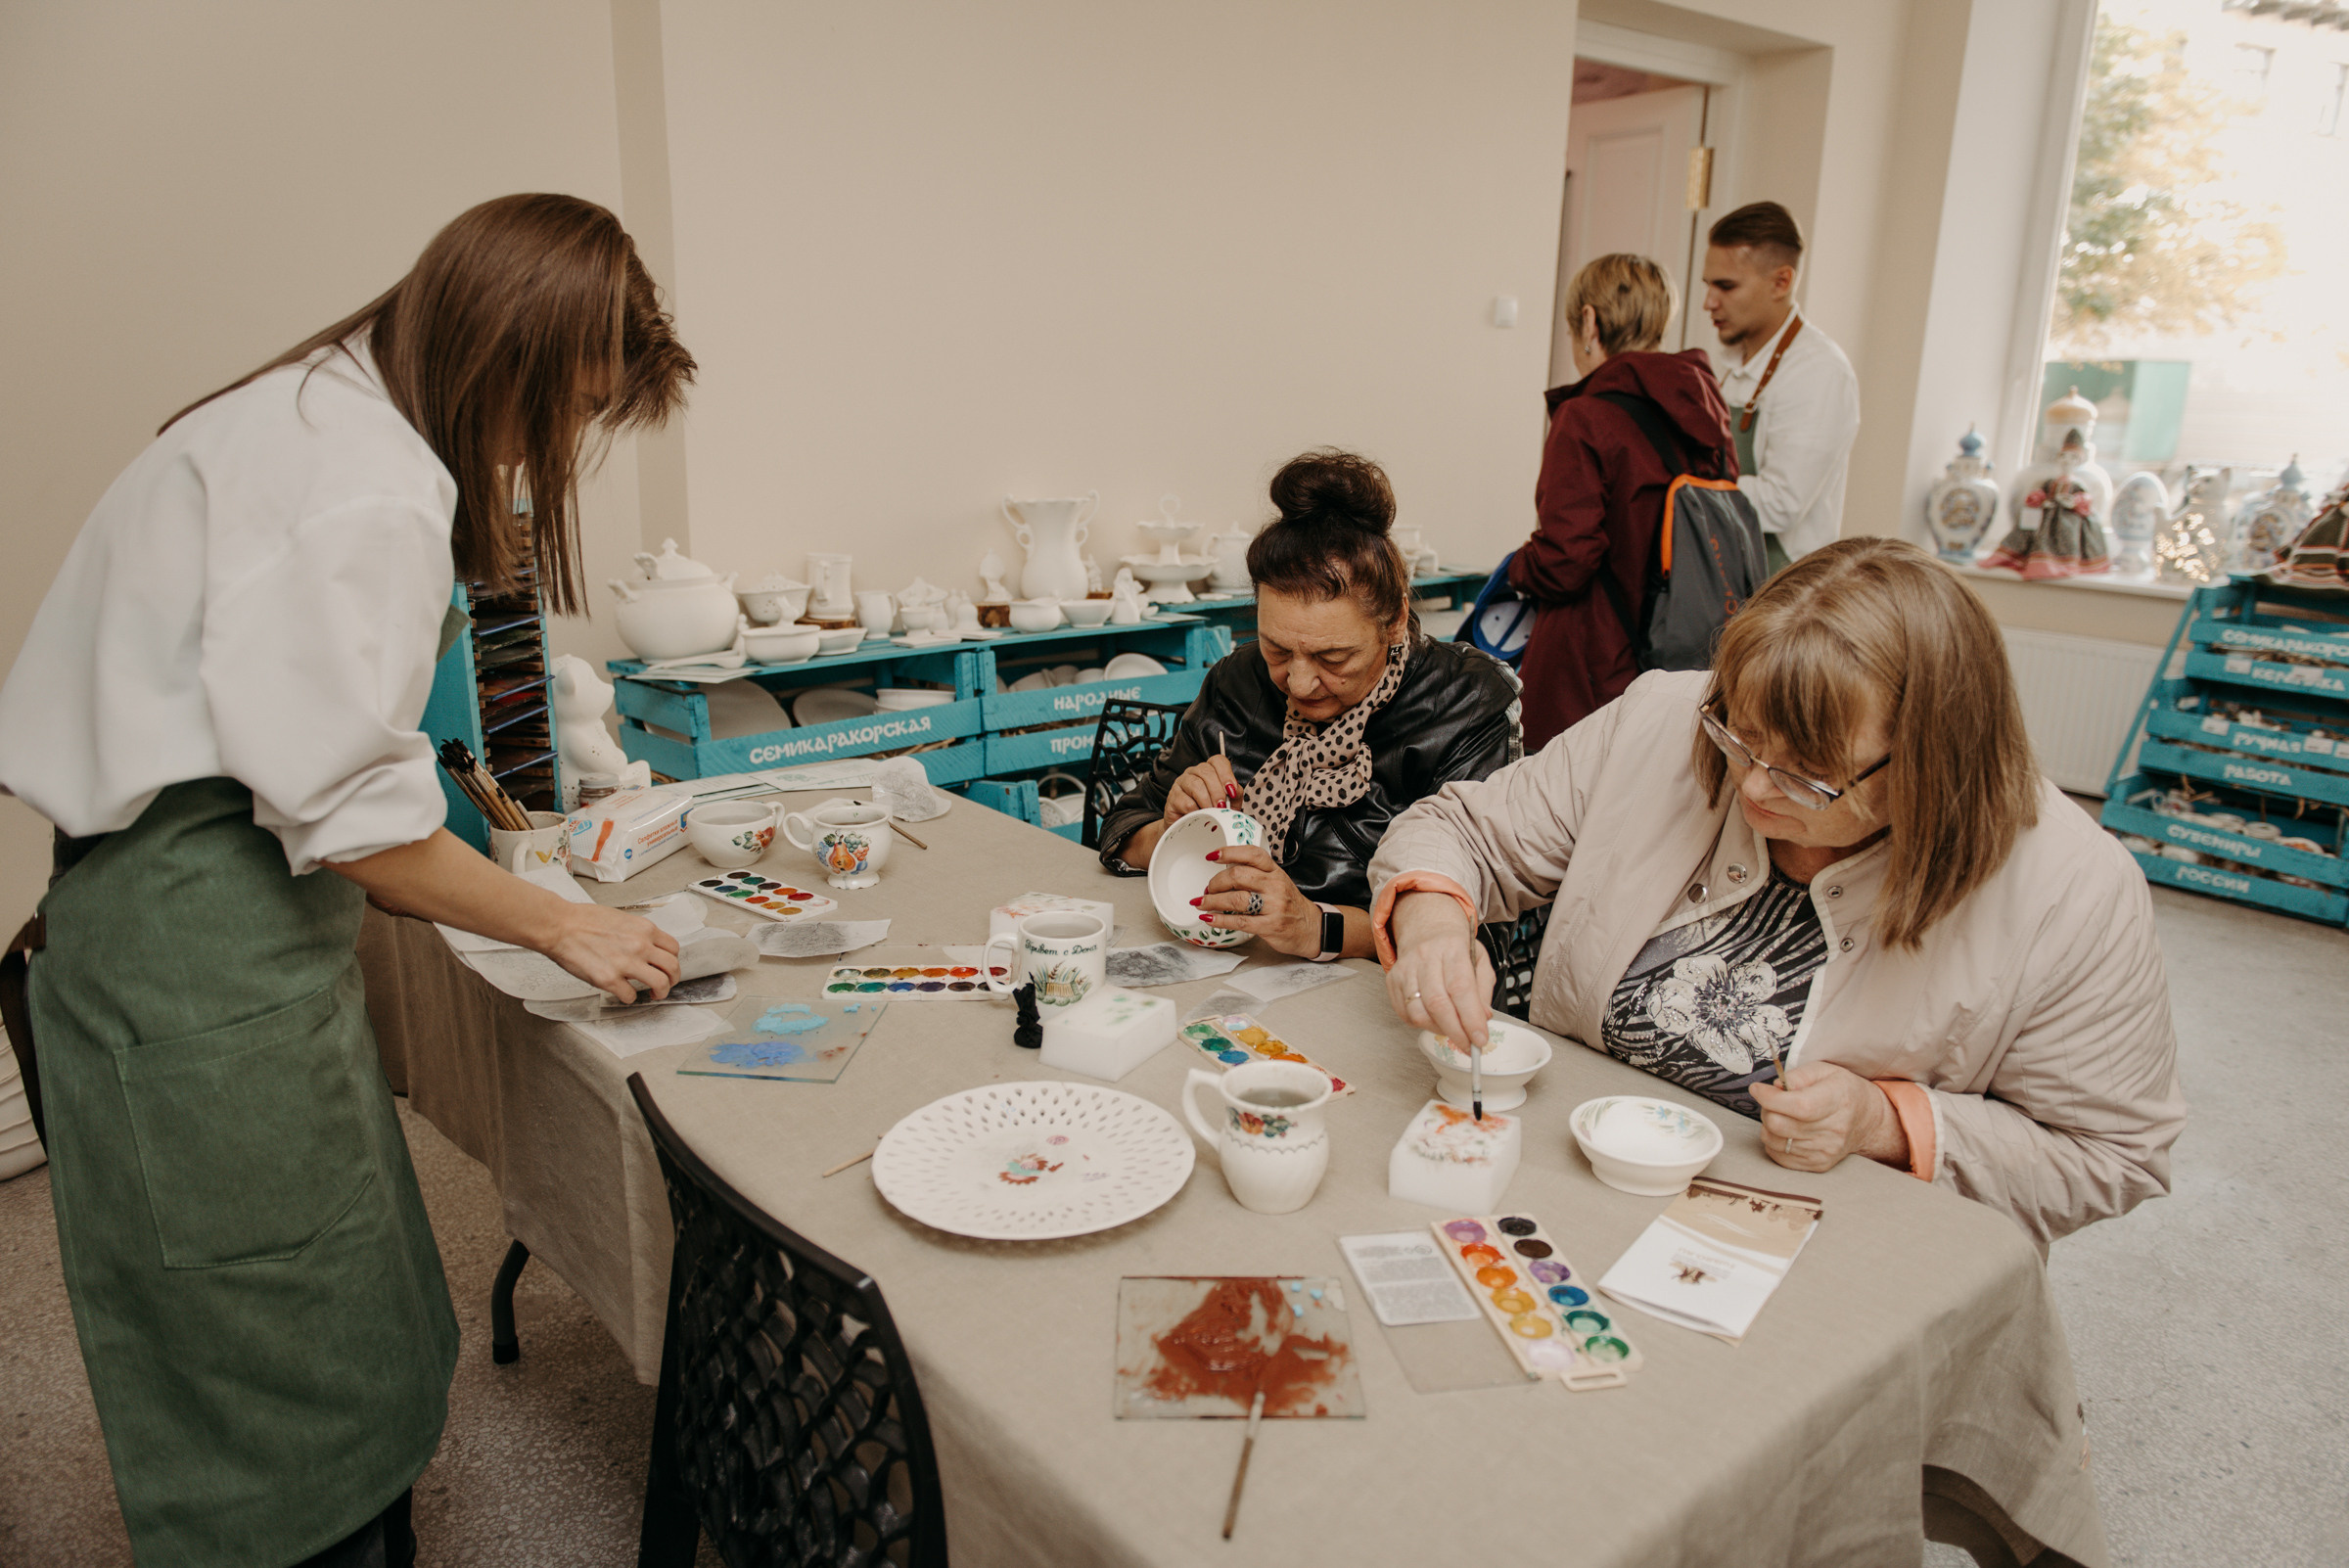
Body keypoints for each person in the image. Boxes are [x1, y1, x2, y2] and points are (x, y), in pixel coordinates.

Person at [0, 194, 694, 1567]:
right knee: (264, 1330)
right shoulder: (366, 475)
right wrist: (569, 925)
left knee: (341, 1274)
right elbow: (364, 834)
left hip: (220, 934)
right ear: (508, 357)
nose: (548, 453)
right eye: (567, 412)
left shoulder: (311, 405)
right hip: (192, 949)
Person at [1368, 538, 2187, 1249]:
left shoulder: (2071, 887)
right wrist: (1437, 920)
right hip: (1573, 1183)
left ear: (1932, 763)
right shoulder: (1664, 717)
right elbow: (1464, 831)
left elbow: (2110, 1155)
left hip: (1825, 1245)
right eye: (1740, 735)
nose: (1754, 788)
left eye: (1808, 772)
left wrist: (1888, 1124)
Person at [1098, 450, 1520, 959]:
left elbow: (1479, 931)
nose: (1298, 683)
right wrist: (1175, 830)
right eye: (1277, 649)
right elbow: (1124, 831)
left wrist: (1314, 926)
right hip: (1233, 967)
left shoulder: (1464, 704)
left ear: (1394, 620)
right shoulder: (1239, 681)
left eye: (1333, 657)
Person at [1510, 253, 1736, 752]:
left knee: (1560, 813)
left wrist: (1518, 569)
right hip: (1686, 658)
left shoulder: (1587, 416)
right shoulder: (1708, 415)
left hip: (1592, 664)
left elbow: (1567, 560)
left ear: (1588, 321)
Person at [1700, 202, 1860, 574]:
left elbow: (1781, 503)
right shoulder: (1734, 364)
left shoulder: (1818, 371)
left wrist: (1686, 483)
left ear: (1781, 282)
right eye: (1709, 285)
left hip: (1784, 593)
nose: (1709, 302)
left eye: (1726, 286)